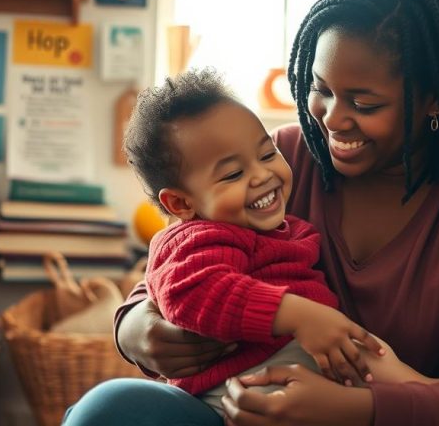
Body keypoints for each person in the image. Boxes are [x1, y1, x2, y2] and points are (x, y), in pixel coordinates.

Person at [64, 0, 439, 426]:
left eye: (363, 102)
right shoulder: (284, 159)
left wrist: (357, 411)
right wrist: (137, 332)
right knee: (108, 410)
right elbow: (178, 263)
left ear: (433, 98)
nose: (330, 119)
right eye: (320, 88)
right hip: (243, 408)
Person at [122, 68, 418, 417]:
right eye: (233, 174)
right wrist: (299, 316)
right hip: (243, 381)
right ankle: (431, 394)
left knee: (363, 351)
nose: (262, 175)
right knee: (359, 350)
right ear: (182, 204)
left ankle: (434, 395)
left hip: (290, 365)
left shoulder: (273, 227)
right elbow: (191, 290)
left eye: (267, 154)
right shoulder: (199, 236)